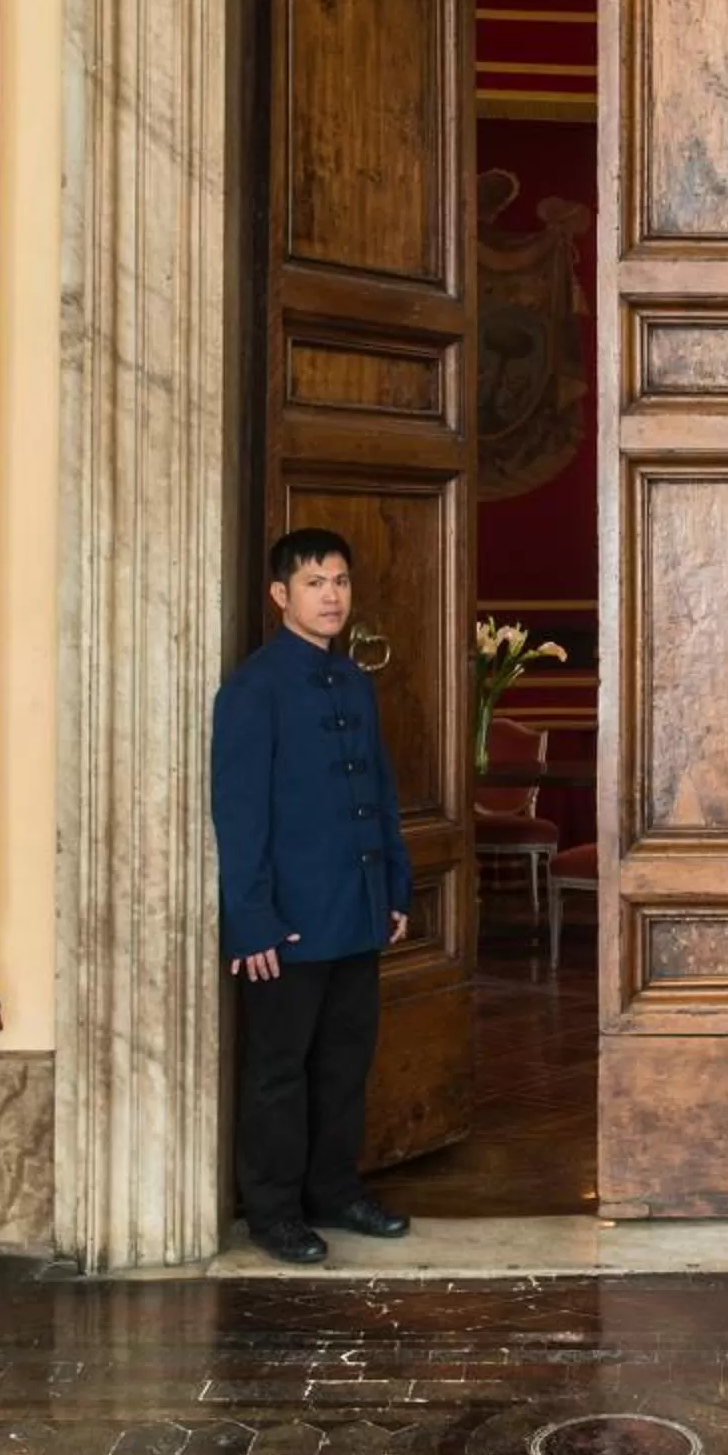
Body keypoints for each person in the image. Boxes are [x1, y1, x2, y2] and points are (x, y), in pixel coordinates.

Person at [210, 527, 412, 1265]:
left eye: (341, 581)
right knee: (278, 1074)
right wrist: (251, 920)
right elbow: (239, 815)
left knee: (343, 1065)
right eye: (315, 583)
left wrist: (392, 890)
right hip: (287, 924)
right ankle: (272, 1213)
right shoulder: (253, 688)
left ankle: (334, 1191)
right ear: (280, 594)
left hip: (355, 911)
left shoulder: (353, 680)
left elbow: (379, 795)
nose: (332, 596)